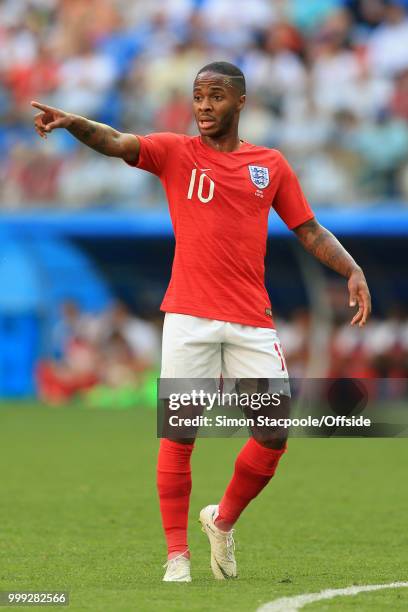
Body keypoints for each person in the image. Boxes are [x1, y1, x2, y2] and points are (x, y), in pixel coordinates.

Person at [31, 61, 371, 583]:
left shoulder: (270, 165)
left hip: (250, 320)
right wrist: (74, 122)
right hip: (188, 315)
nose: (204, 106)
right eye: (198, 97)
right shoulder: (174, 152)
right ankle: (176, 558)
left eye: (215, 96)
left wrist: (351, 269)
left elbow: (309, 229)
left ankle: (222, 520)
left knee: (274, 432)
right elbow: (117, 141)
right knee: (180, 434)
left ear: (240, 102)